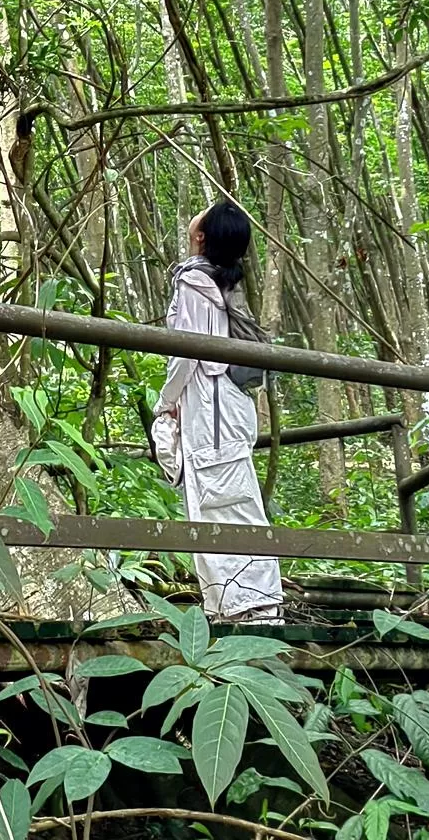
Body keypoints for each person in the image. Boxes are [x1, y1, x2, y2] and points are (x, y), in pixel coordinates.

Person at [153, 201, 283, 623]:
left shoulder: (195, 280)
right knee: (234, 502)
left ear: (201, 236)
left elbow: (186, 352)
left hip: (211, 410)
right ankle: (247, 608)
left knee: (219, 505)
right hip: (227, 405)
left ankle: (248, 610)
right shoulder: (221, 279)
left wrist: (166, 401)